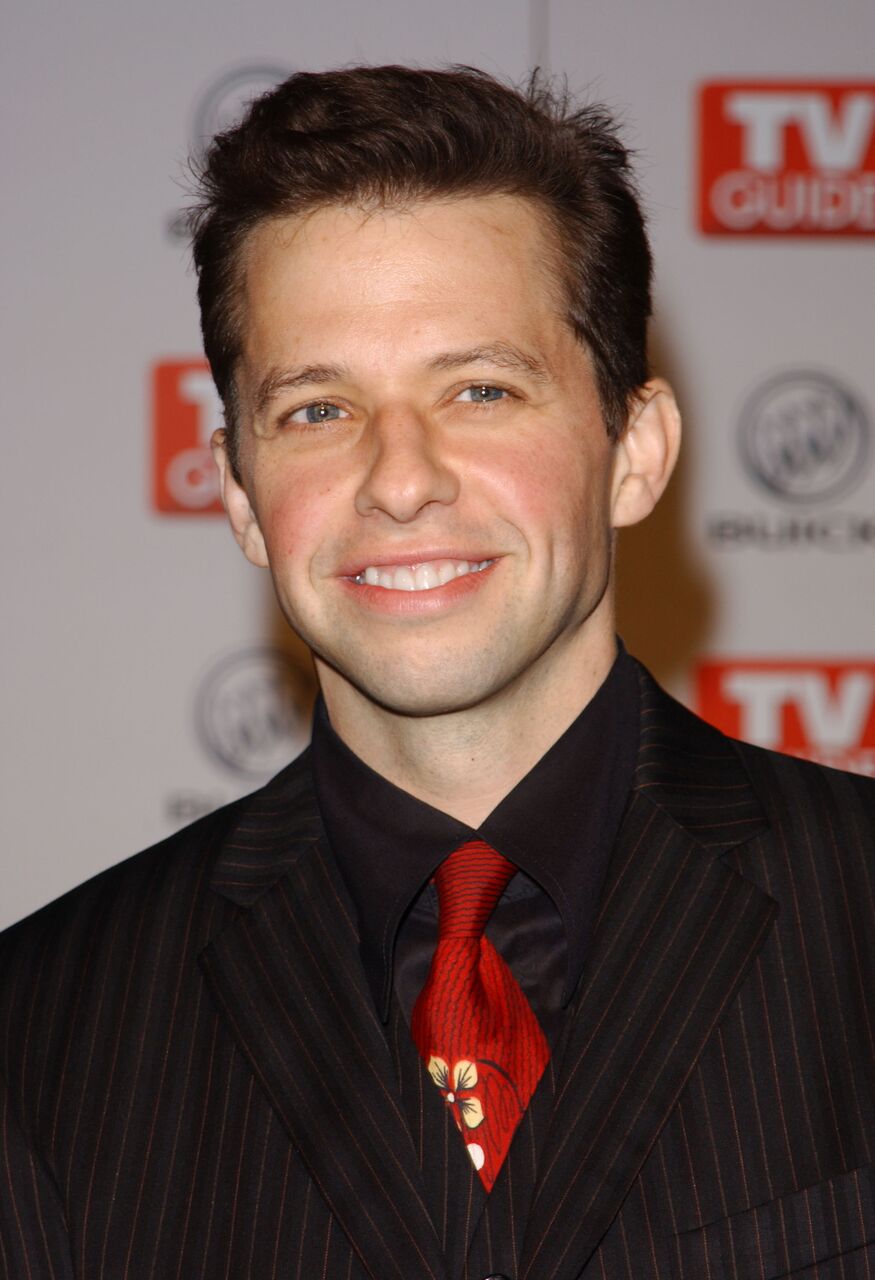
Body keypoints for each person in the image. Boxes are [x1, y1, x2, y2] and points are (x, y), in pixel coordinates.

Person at [1, 66, 872, 1280]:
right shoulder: (45, 1031)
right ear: (242, 494)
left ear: (634, 451)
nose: (399, 478)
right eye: (316, 409)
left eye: (479, 389)